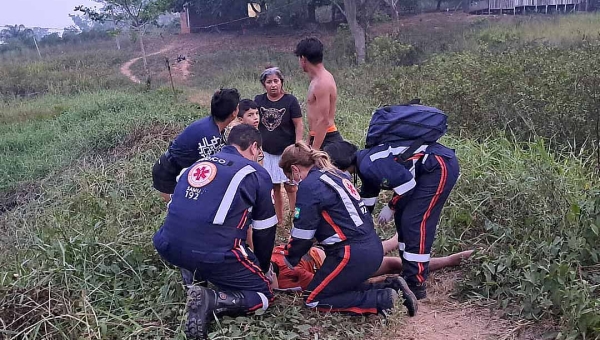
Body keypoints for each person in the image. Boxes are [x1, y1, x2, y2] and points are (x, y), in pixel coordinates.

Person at [152, 124, 278, 339]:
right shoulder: (255, 172)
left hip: (167, 244)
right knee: (263, 295)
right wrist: (263, 268)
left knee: (199, 233)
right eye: (258, 152)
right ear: (254, 147)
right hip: (212, 252)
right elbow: (264, 229)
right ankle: (212, 299)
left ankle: (192, 276)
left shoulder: (198, 163)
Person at [278, 142, 418, 317]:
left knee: (313, 299)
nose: (294, 181)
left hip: (349, 254)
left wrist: (289, 258)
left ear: (295, 169)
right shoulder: (335, 174)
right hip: (371, 246)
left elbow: (303, 234)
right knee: (335, 287)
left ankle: (381, 300)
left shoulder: (309, 186)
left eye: (291, 177)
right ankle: (390, 285)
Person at [323, 139, 460, 300]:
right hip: (426, 169)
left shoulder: (368, 165)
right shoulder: (364, 166)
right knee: (403, 220)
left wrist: (392, 206)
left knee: (415, 222)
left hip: (438, 166)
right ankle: (409, 271)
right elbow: (367, 201)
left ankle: (416, 283)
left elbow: (407, 185)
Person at [270, 239, 473, 292]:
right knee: (393, 263)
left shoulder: (270, 257)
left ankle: (397, 238)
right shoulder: (288, 280)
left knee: (375, 248)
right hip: (338, 266)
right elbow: (317, 284)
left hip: (331, 251)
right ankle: (451, 260)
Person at [152, 88, 240, 203]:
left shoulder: (212, 124)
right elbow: (208, 170)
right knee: (176, 209)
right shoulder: (210, 137)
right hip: (169, 173)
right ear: (234, 113)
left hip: (175, 168)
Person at [254, 67, 303, 227]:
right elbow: (254, 121)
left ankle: (296, 219)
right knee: (274, 187)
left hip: (287, 153)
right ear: (264, 84)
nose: (273, 85)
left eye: (276, 81)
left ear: (281, 82)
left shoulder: (290, 101)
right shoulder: (259, 101)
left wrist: (297, 146)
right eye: (269, 82)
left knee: (291, 188)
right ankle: (279, 220)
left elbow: (298, 124)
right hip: (268, 153)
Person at [294, 37, 343, 150]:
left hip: (327, 139)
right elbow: (315, 118)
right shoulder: (316, 80)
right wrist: (308, 141)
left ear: (303, 59)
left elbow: (323, 120)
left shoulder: (322, 82)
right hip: (317, 137)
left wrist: (314, 151)